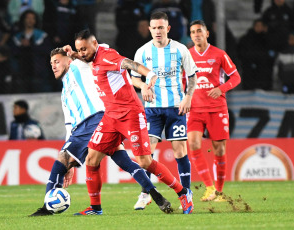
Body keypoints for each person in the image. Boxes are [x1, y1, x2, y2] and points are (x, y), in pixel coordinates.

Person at [64, 29, 194, 215]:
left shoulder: (107, 57)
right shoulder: (91, 56)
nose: (82, 53)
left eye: (84, 49)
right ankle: (95, 208)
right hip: (111, 116)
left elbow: (128, 63)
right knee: (91, 159)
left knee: (145, 161)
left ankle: (183, 193)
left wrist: (148, 75)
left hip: (130, 115)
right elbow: (85, 57)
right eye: (79, 49)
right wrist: (73, 53)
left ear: (95, 44)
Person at [30, 47, 171, 216]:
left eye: (57, 61)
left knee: (62, 159)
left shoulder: (78, 66)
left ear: (68, 60)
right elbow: (69, 124)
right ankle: (154, 194)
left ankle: (47, 207)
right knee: (123, 160)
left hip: (93, 119)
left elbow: (96, 52)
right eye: (51, 63)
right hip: (89, 125)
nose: (53, 66)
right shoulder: (64, 93)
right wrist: (71, 157)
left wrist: (75, 53)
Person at [131, 11, 198, 210]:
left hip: (176, 108)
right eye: (154, 28)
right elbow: (134, 77)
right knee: (146, 155)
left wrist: (188, 96)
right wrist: (143, 86)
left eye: (161, 27)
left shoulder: (180, 49)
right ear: (149, 29)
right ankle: (146, 193)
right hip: (152, 109)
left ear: (168, 28)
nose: (158, 31)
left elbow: (192, 76)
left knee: (179, 151)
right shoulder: (142, 52)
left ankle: (186, 193)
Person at [188, 20, 241, 202]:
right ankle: (209, 188)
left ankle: (219, 192)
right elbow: (182, 81)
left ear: (207, 33)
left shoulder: (219, 54)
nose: (196, 34)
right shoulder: (187, 56)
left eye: (199, 31)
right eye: (193, 32)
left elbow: (236, 77)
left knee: (218, 149)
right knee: (193, 143)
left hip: (216, 108)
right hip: (194, 109)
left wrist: (222, 88)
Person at [237, 19, 276, 90]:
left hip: (264, 72)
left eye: (261, 26)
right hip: (249, 70)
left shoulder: (268, 39)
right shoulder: (246, 39)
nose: (259, 28)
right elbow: (241, 53)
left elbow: (272, 55)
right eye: (257, 26)